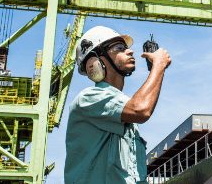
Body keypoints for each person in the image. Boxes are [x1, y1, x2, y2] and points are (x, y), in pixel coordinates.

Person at [64, 26, 171, 184]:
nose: (130, 51)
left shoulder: (121, 109)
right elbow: (141, 109)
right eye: (119, 48)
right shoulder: (88, 99)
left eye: (127, 48)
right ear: (94, 61)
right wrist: (158, 66)